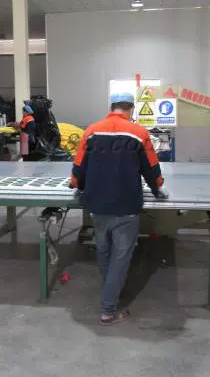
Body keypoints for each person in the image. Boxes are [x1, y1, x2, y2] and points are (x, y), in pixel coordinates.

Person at [71, 93, 167, 326]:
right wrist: (158, 188)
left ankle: (110, 291)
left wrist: (77, 186)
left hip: (97, 205)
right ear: (131, 109)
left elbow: (79, 165)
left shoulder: (92, 130)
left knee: (104, 251)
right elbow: (151, 167)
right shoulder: (139, 133)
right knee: (120, 258)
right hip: (126, 206)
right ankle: (108, 310)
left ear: (112, 107)